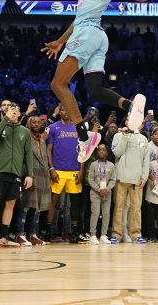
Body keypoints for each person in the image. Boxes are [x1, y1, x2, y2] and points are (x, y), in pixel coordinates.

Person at [41, 0, 158, 159]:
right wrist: (60, 41)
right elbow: (79, 18)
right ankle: (130, 107)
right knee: (95, 90)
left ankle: (84, 137)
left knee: (57, 84)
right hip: (97, 37)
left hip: (86, 35)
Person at [0, 104, 34, 249]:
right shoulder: (1, 127)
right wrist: (6, 119)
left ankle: (3, 237)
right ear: (7, 112)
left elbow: (28, 154)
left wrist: (30, 175)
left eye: (16, 111)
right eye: (11, 111)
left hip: (16, 173)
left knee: (10, 204)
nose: (14, 113)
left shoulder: (25, 131)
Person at [44, 105, 94, 244]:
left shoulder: (79, 128)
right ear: (59, 111)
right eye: (63, 110)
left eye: (68, 110)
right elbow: (49, 149)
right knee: (53, 201)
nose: (66, 112)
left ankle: (74, 233)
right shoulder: (53, 127)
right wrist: (51, 168)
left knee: (75, 204)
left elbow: (83, 150)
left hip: (74, 170)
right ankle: (47, 233)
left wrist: (81, 170)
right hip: (58, 170)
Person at [111, 119, 151, 244]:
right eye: (129, 120)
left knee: (136, 208)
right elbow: (116, 153)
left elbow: (146, 161)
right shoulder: (118, 136)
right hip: (121, 177)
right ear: (126, 121)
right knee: (119, 207)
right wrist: (124, 136)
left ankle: (136, 234)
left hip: (137, 179)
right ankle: (116, 234)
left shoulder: (143, 139)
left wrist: (144, 177)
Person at [15, 115, 51, 247]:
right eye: (33, 122)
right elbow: (21, 158)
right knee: (25, 206)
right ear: (28, 124)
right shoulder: (24, 138)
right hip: (29, 175)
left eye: (38, 122)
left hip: (42, 176)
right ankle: (20, 234)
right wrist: (25, 174)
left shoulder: (42, 140)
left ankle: (33, 234)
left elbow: (44, 158)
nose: (36, 124)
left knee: (37, 208)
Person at [88, 144, 116, 244]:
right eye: (99, 150)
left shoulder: (111, 165)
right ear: (97, 152)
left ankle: (104, 235)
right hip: (95, 192)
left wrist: (107, 189)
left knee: (106, 213)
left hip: (107, 193)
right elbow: (90, 180)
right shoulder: (93, 165)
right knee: (95, 212)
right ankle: (93, 235)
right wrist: (99, 189)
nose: (101, 152)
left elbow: (113, 180)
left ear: (107, 153)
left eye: (104, 150)